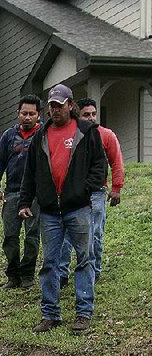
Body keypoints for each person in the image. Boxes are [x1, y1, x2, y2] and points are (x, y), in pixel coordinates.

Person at [18, 84, 107, 335]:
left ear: (70, 105)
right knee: (50, 264)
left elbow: (99, 166)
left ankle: (83, 313)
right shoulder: (41, 136)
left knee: (84, 260)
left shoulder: (87, 132)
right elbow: (30, 174)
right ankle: (50, 314)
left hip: (78, 209)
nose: (55, 110)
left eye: (59, 105)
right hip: (49, 212)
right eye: (51, 106)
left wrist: (83, 190)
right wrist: (25, 202)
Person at [58, 97, 124, 286]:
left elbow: (116, 161)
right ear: (77, 115)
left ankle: (94, 271)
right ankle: (62, 273)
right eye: (86, 114)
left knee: (94, 234)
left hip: (96, 192)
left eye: (94, 114)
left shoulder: (106, 135)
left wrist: (116, 187)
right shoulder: (71, 135)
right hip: (71, 194)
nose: (91, 118)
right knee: (66, 235)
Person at [0, 95, 42, 289]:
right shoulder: (8, 136)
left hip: (35, 195)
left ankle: (28, 275)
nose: (27, 117)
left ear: (38, 115)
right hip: (12, 192)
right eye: (24, 113)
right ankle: (13, 276)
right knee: (10, 236)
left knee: (32, 235)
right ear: (17, 114)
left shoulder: (44, 134)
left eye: (31, 114)